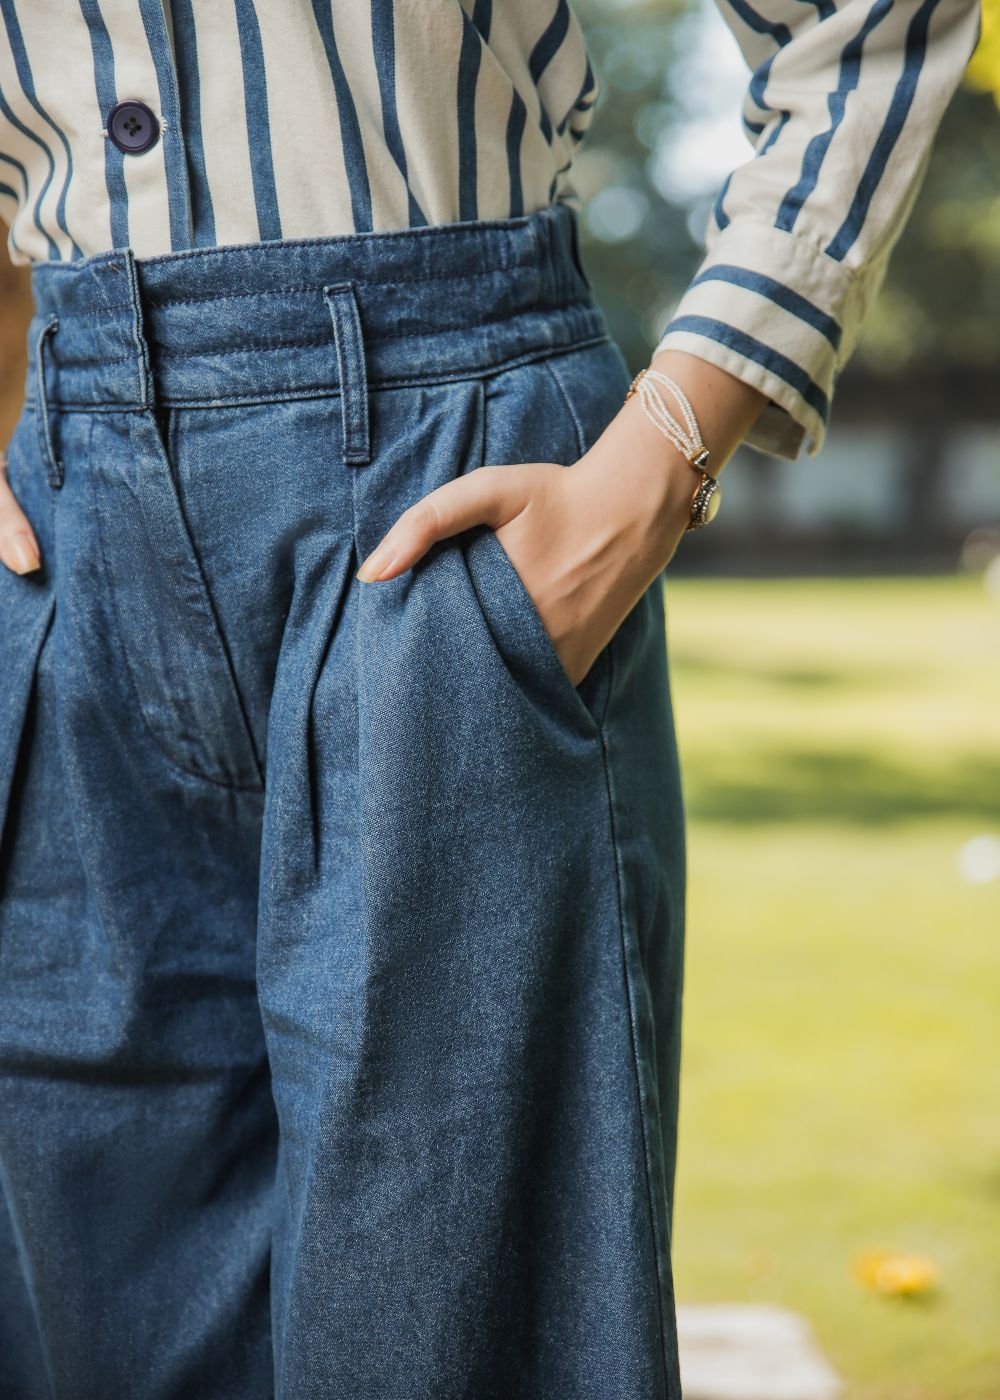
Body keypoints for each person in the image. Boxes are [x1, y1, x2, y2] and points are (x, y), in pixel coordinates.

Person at [0, 3, 980, 1397]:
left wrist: (666, 451)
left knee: (456, 1338)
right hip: (65, 529)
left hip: (447, 481)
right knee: (91, 1329)